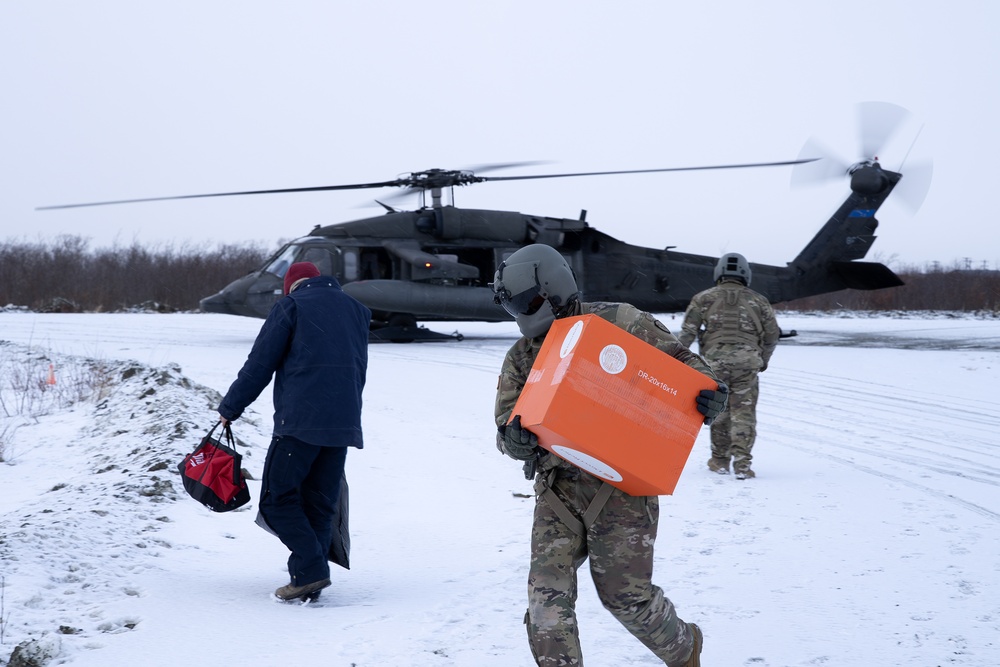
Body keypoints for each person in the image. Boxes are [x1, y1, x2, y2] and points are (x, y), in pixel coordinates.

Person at [492, 244, 727, 667]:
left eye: (527, 301)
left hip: (622, 487)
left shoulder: (620, 322)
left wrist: (710, 392)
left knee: (625, 598)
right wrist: (514, 439)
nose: (522, 314)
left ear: (553, 287)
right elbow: (504, 427)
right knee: (547, 605)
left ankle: (685, 648)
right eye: (515, 307)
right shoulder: (521, 356)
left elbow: (684, 363)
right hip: (558, 491)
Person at [217, 261, 371, 602]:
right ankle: (307, 581)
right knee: (318, 503)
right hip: (342, 425)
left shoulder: (291, 306)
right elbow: (356, 367)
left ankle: (312, 569)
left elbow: (259, 365)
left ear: (291, 286)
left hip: (299, 423)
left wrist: (230, 408)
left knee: (277, 501)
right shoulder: (357, 310)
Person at [678, 253, 779, 480]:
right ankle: (742, 465)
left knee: (720, 411)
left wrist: (678, 361)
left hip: (714, 363)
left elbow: (687, 334)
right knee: (744, 413)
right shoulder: (759, 300)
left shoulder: (703, 298)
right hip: (747, 364)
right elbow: (772, 335)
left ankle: (720, 460)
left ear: (719, 273)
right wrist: (763, 360)